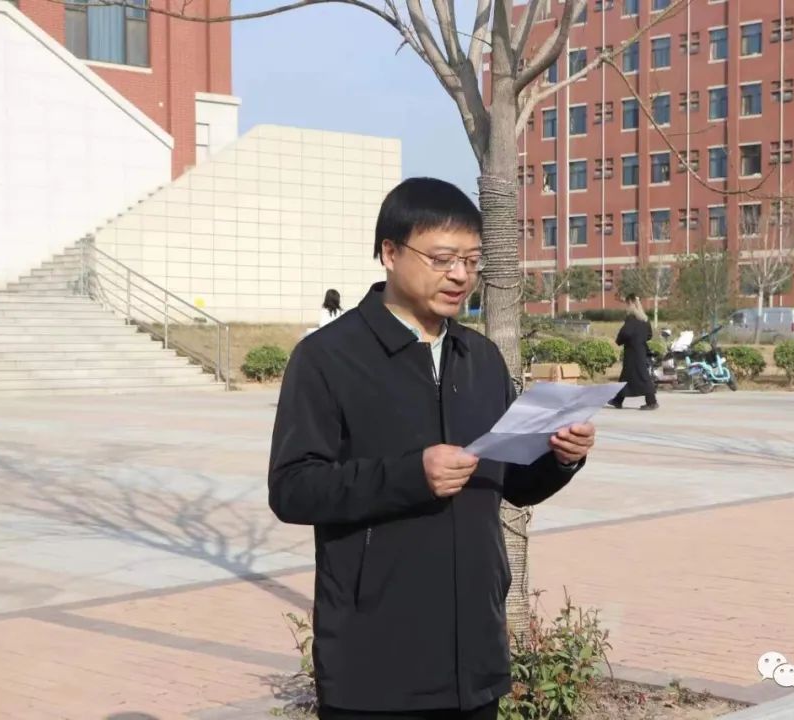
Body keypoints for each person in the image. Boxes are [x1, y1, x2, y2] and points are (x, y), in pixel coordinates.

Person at [268, 177, 597, 720]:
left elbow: (511, 482)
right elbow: (293, 487)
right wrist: (410, 475)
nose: (461, 275)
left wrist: (561, 456)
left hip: (475, 656)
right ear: (390, 253)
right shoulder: (328, 357)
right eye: (443, 259)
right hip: (375, 660)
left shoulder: (481, 358)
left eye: (471, 260)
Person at [609, 295, 658, 410]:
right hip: (641, 350)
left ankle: (652, 402)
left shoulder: (631, 318)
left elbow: (625, 333)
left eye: (627, 304)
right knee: (626, 376)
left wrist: (619, 341)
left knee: (642, 376)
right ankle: (617, 400)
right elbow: (649, 335)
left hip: (632, 351)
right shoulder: (645, 319)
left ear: (630, 304)